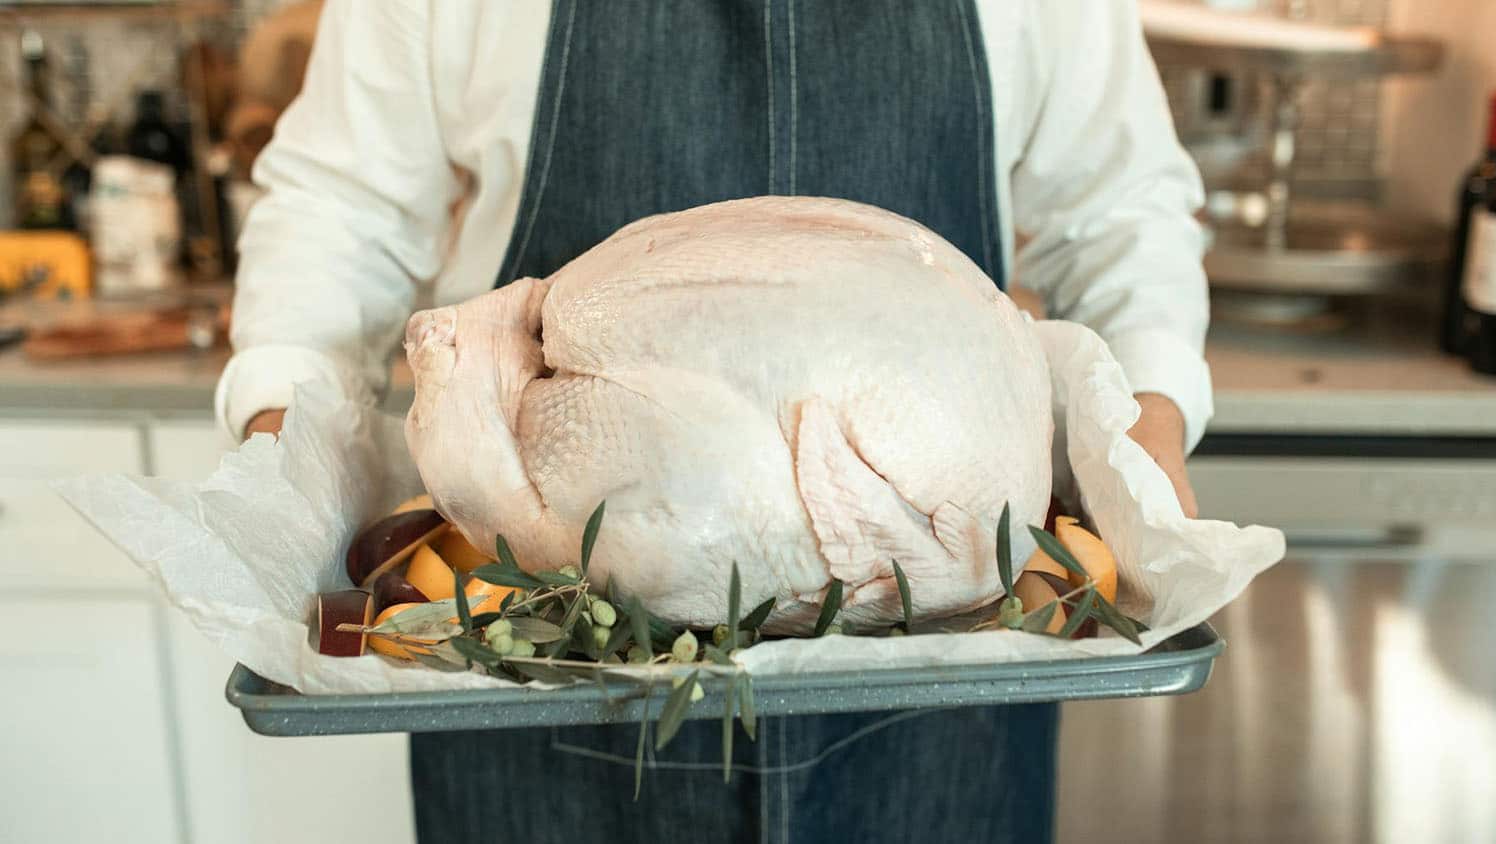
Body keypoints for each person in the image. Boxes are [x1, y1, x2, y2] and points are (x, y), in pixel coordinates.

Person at [220, 2, 1210, 840]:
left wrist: (1149, 438)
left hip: (947, 678)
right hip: (543, 676)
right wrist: (281, 444)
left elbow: (1121, 210)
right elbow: (338, 210)